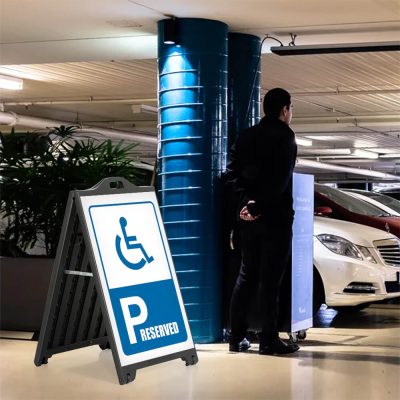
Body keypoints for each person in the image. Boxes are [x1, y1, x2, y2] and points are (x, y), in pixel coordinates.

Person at [226, 87, 299, 355]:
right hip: (275, 219)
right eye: (291, 109)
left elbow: (231, 173)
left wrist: (246, 204)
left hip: (248, 220)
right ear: (284, 110)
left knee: (246, 276)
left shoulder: (246, 136)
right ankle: (268, 339)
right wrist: (259, 206)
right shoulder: (286, 137)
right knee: (270, 281)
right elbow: (280, 181)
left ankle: (236, 337)